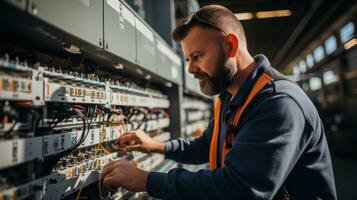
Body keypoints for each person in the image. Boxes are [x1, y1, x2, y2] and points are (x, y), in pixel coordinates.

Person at [101, 5, 337, 200]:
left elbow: (241, 189)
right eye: (188, 59)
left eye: (198, 56)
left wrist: (146, 180)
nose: (191, 69)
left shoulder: (277, 102)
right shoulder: (230, 96)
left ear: (231, 45)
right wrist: (155, 146)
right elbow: (207, 145)